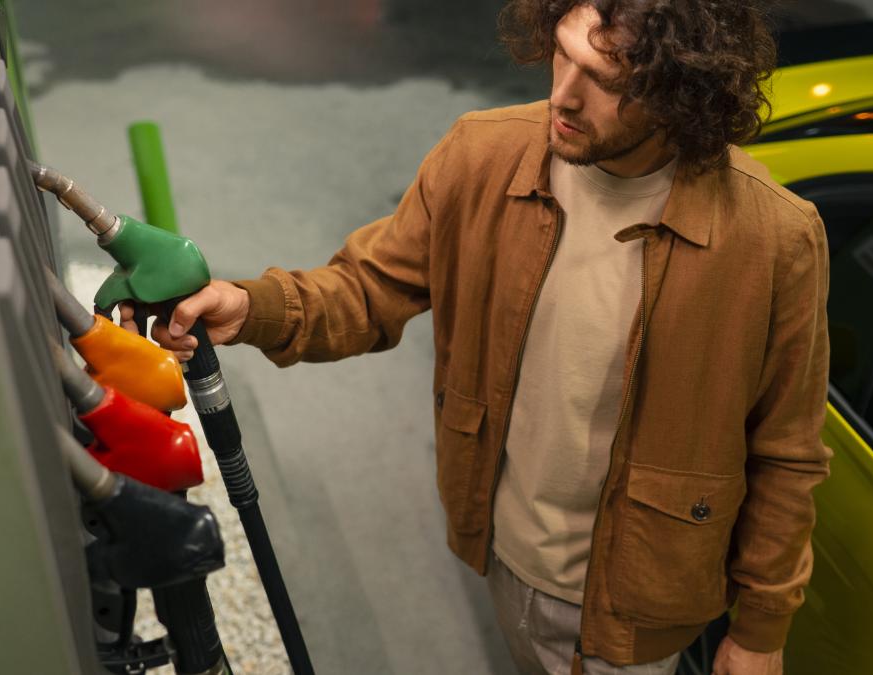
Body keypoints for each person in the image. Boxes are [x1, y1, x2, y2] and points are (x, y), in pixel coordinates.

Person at [134, 1, 831, 673]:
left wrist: (760, 632)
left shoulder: (774, 240)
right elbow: (367, 289)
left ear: (681, 89)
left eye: (607, 81)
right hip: (501, 555)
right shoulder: (482, 155)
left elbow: (787, 452)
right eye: (562, 53)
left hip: (634, 611)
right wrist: (249, 305)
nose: (563, 95)